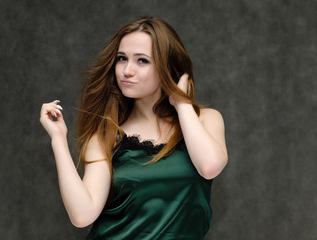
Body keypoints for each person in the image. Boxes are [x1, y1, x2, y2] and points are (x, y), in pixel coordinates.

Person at [40, 17, 228, 240]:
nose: (127, 70)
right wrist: (58, 139)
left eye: (142, 61)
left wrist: (182, 103)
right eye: (122, 59)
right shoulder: (107, 135)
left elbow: (209, 166)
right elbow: (82, 215)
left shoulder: (206, 120)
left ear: (167, 67)